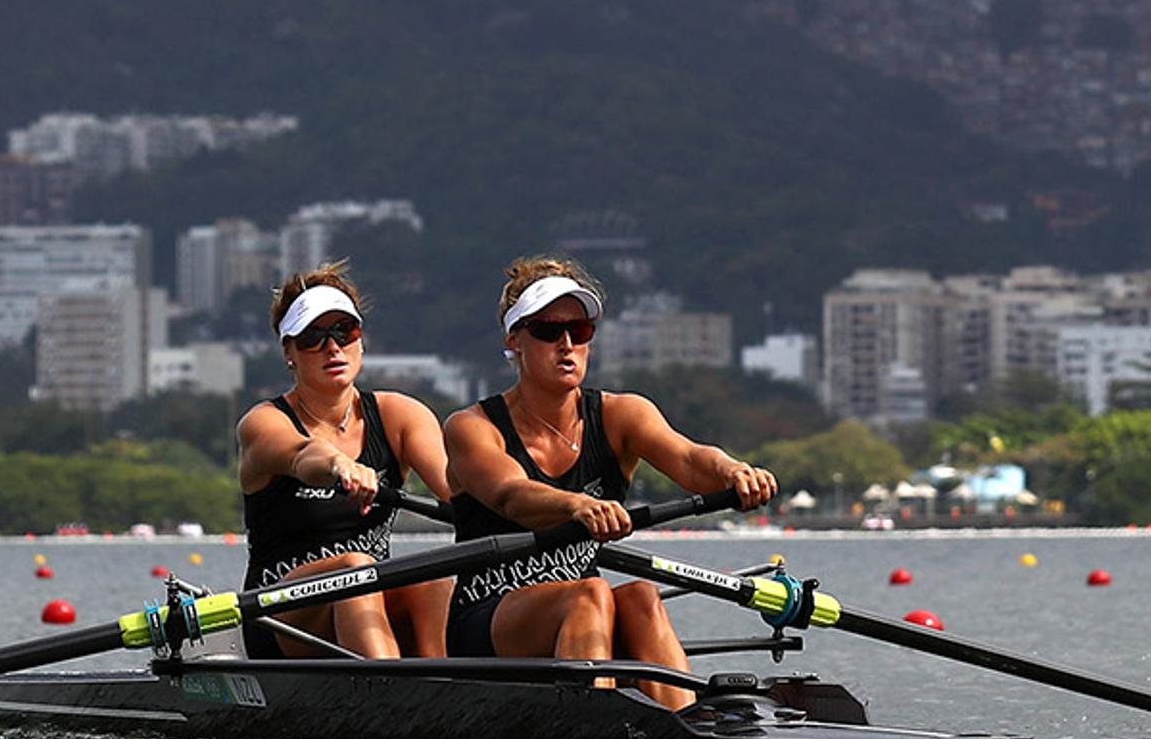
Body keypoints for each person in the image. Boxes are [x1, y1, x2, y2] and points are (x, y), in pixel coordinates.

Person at [444, 257, 777, 708]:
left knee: (640, 596)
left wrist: (734, 471)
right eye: (547, 330)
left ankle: (687, 729)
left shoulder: (622, 415)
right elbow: (509, 494)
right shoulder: (472, 427)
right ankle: (594, 723)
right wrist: (575, 506)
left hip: (585, 618)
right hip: (489, 619)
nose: (566, 344)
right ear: (514, 340)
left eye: (579, 331)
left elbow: (690, 457)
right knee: (592, 592)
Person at [233, 264, 453, 658]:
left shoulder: (400, 415)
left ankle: (444, 693)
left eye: (343, 332)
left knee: (432, 579)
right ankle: (389, 691)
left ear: (361, 341)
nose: (332, 348)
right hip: (278, 617)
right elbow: (301, 455)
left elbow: (460, 494)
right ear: (289, 352)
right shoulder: (263, 423)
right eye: (313, 337)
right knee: (353, 568)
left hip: (367, 602)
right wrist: (338, 464)